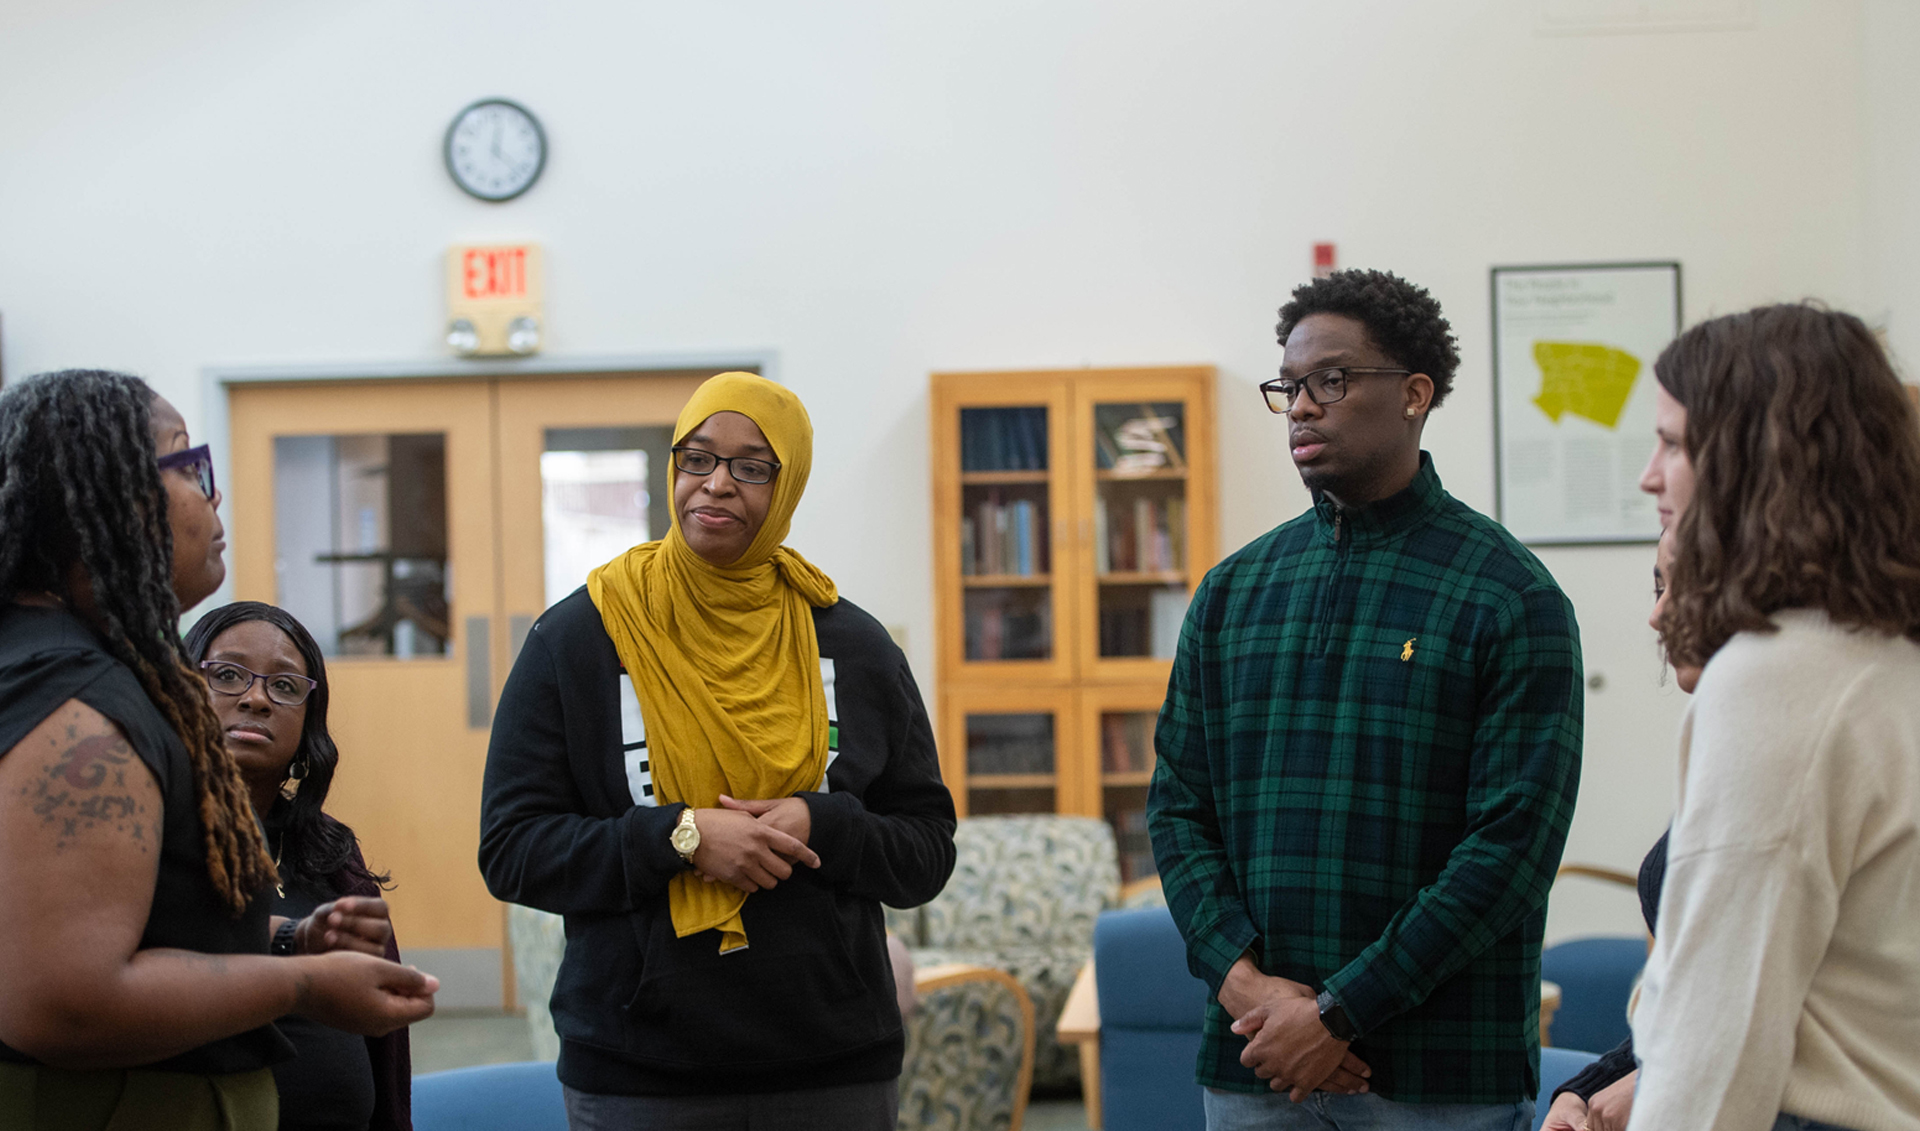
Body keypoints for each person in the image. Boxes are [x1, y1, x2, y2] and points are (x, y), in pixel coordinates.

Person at [1148, 270, 1584, 1129]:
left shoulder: (1510, 596)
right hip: (1255, 1061)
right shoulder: (1234, 591)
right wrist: (1250, 988)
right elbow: (1177, 809)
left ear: (1415, 394)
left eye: (1332, 380)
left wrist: (1338, 1012)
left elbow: (1508, 852)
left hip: (1438, 1074)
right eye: (1291, 386)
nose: (1303, 406)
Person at [479, 371, 955, 1130]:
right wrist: (680, 836)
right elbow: (512, 848)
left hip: (830, 1065)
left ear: (787, 481)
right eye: (696, 458)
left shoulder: (855, 646)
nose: (717, 484)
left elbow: (927, 850)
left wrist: (821, 824)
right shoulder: (581, 637)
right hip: (641, 1069)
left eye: (751, 466)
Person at [0, 370, 436, 1129]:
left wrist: (285, 940)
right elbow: (63, 1004)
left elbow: (111, 929)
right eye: (188, 465)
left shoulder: (57, 665)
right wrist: (303, 988)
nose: (215, 496)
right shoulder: (80, 711)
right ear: (111, 494)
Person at [1625, 304, 1920, 1131]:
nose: (1650, 475)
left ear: (1756, 460)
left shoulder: (1780, 675)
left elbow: (1715, 1032)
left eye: (1674, 444)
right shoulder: (1886, 652)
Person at [184, 601, 414, 1131]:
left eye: (285, 687)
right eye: (227, 675)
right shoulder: (149, 835)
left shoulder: (331, 852)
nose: (256, 697)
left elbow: (384, 1040)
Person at [1540, 531, 1699, 1131]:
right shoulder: (1713, 742)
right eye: (1657, 586)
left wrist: (1661, 1081)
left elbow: (1776, 1013)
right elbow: (1682, 1012)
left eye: (1682, 583)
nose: (1657, 613)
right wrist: (1579, 1092)